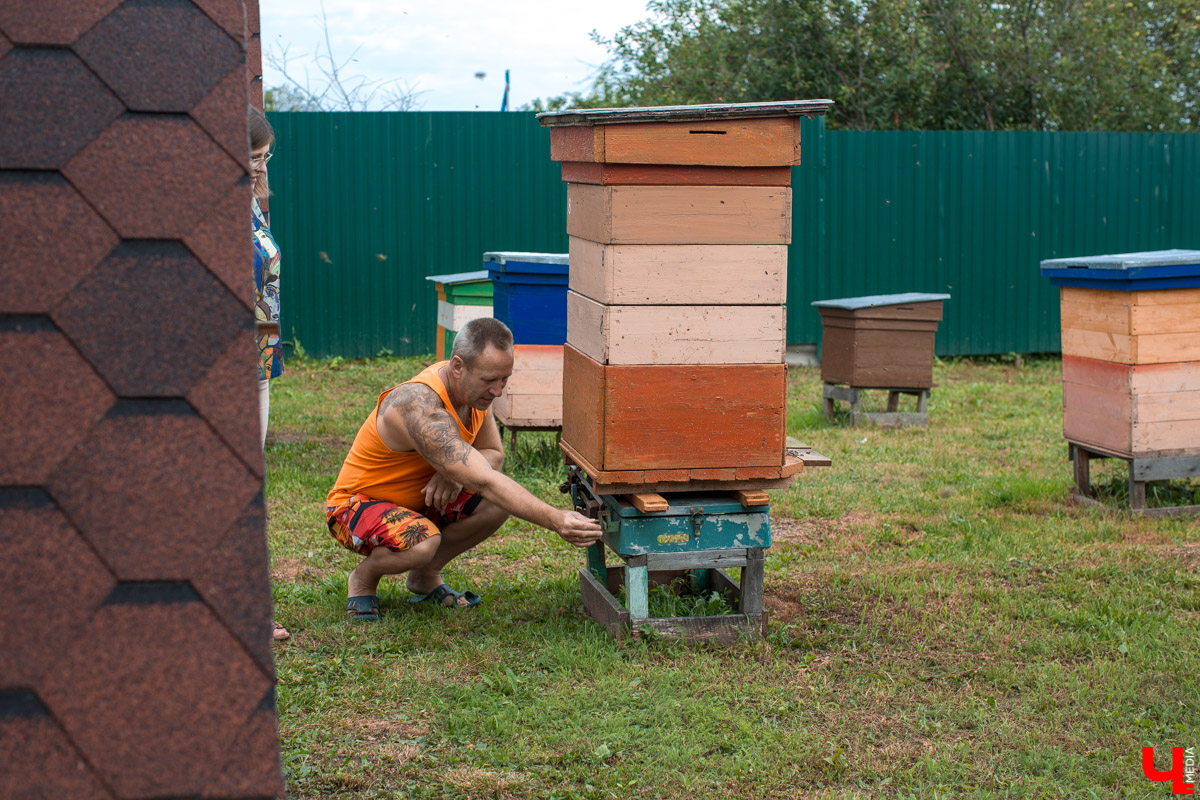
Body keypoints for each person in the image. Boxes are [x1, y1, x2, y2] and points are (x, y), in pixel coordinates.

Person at [325, 317, 602, 620]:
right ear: (458, 366)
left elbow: (493, 454)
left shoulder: (472, 392)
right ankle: (363, 580)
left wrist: (453, 475)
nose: (498, 390)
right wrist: (556, 519)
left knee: (496, 505)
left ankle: (425, 575)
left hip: (420, 502)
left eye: (504, 379)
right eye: (490, 380)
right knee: (423, 541)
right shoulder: (417, 406)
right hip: (355, 508)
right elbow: (484, 480)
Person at [249, 105, 290, 642]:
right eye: (254, 157)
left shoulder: (253, 206)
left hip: (257, 360)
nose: (261, 167)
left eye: (266, 157)